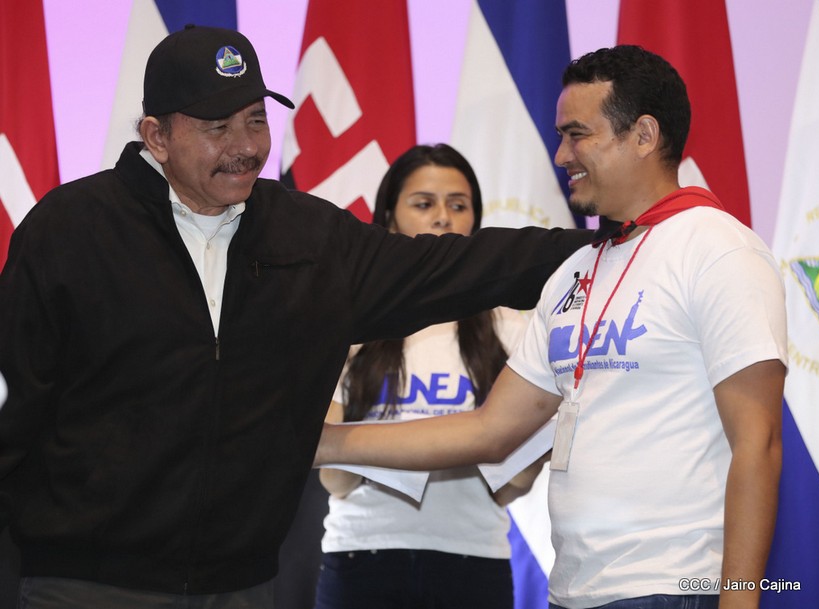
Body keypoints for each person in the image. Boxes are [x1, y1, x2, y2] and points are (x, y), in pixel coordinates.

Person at [0, 25, 592, 608]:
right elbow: (17, 409)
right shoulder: (69, 230)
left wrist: (601, 248)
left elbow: (449, 268)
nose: (246, 146)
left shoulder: (309, 235)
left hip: (243, 586)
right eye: (218, 127)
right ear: (157, 136)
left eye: (256, 120)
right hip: (84, 584)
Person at [316, 45, 787, 609]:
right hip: (573, 590)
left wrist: (739, 599)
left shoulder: (720, 250)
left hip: (675, 587)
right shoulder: (575, 270)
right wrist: (319, 442)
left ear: (643, 135)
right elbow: (490, 430)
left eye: (576, 135)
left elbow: (758, 442)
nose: (562, 155)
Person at [315, 144, 548, 609]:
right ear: (389, 218)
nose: (443, 217)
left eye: (458, 205)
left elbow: (512, 486)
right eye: (424, 204)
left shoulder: (513, 328)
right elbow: (335, 481)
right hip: (360, 554)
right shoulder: (348, 325)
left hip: (474, 559)